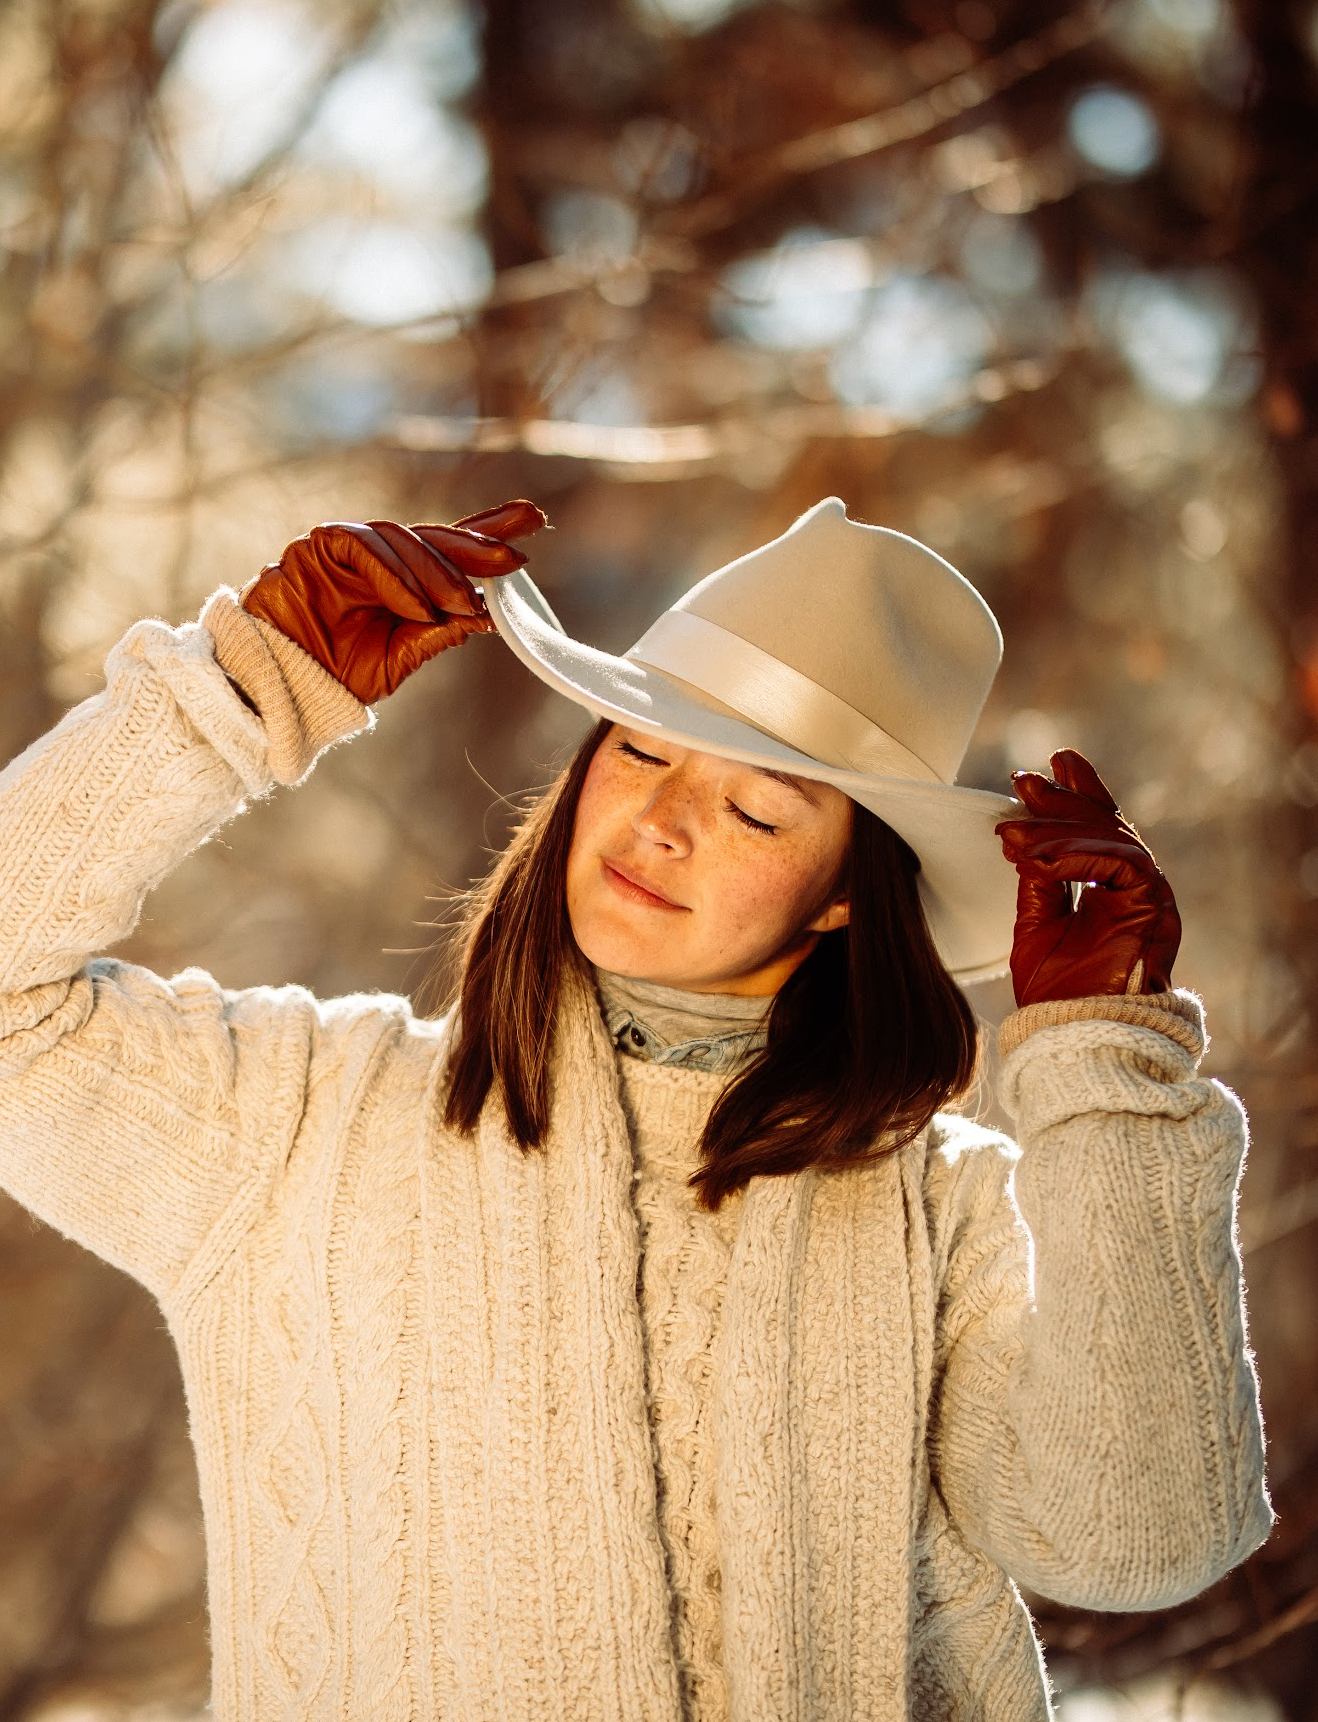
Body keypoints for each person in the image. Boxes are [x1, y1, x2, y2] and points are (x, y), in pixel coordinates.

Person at [0, 495, 1269, 1722]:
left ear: (842, 896)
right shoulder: (299, 1123)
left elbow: (1134, 1534)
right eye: (639, 750)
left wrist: (1108, 1072)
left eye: (755, 807)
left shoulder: (945, 1215)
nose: (660, 823)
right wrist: (239, 694)